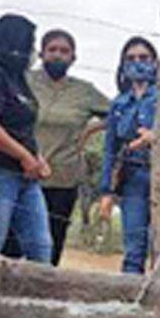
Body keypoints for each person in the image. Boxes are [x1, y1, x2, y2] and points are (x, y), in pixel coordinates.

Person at [28, 29, 110, 266]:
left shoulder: (84, 91)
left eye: (64, 51)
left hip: (64, 177)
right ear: (41, 54)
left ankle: (45, 296)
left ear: (73, 58)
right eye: (52, 50)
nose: (57, 55)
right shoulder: (26, 81)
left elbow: (117, 114)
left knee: (52, 242)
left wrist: (91, 130)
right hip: (24, 173)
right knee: (14, 242)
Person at [0, 13, 53, 263]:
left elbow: (25, 128)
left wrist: (37, 158)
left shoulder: (19, 79)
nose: (32, 52)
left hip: (26, 177)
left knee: (41, 247)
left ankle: (38, 300)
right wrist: (24, 156)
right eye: (29, 45)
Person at [99, 37, 159, 274]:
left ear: (155, 62)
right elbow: (110, 149)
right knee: (134, 250)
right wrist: (106, 191)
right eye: (131, 58)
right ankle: (130, 304)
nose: (137, 63)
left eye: (143, 58)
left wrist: (157, 137)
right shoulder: (119, 104)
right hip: (132, 178)